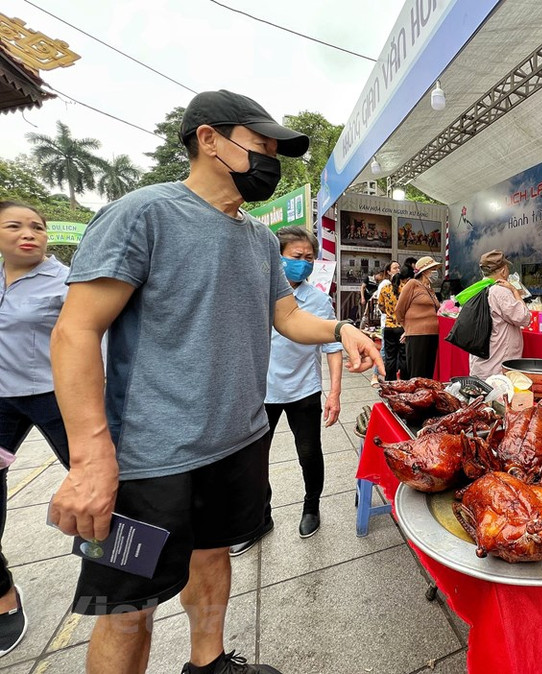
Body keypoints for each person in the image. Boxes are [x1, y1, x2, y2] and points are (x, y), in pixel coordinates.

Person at [47, 89, 382, 674]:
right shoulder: (143, 214)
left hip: (237, 443)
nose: (272, 161)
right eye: (261, 146)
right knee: (124, 607)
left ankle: (209, 662)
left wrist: (340, 328)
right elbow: (75, 333)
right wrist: (91, 456)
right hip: (148, 463)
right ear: (208, 139)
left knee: (213, 557)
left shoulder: (258, 239)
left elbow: (286, 315)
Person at [229, 226, 343, 557]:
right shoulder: (256, 293)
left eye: (310, 258)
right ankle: (260, 518)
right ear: (278, 257)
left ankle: (311, 507)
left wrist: (333, 393)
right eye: (297, 257)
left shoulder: (318, 301)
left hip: (303, 390)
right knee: (254, 458)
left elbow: (333, 348)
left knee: (308, 453)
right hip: (261, 392)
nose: (304, 264)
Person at [0, 201, 71, 657]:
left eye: (38, 227)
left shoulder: (65, 281)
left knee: (97, 474)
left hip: (55, 395)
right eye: (14, 226)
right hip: (2, 399)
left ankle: (123, 562)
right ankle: (3, 591)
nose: (29, 233)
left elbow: (93, 335)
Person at [469, 250, 531, 380]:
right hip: (497, 364)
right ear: (503, 271)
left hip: (482, 359)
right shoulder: (501, 290)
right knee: (496, 396)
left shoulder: (477, 288)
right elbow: (523, 318)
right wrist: (515, 292)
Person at [395, 256, 441, 379]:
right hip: (418, 335)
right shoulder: (413, 284)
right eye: (433, 269)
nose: (436, 272)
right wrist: (407, 328)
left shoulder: (430, 289)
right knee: (418, 372)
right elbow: (399, 310)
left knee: (429, 372)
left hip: (433, 334)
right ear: (425, 271)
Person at [378, 263, 414, 381]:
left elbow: (381, 306)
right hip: (402, 328)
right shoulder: (406, 289)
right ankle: (404, 383)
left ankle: (390, 382)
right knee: (404, 357)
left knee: (390, 357)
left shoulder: (384, 289)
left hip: (389, 327)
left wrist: (389, 313)